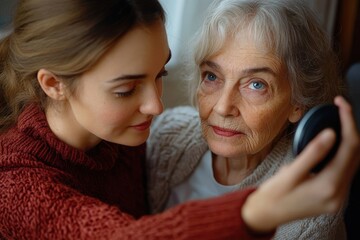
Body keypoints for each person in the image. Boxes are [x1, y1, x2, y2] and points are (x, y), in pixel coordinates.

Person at [0, 0, 359, 239]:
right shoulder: (14, 184)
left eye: (160, 74)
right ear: (53, 84)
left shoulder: (126, 138)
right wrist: (256, 212)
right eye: (126, 90)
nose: (156, 107)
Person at [146, 0, 360, 239]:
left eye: (256, 84)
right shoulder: (163, 136)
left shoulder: (308, 211)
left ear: (297, 103)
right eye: (212, 76)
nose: (223, 107)